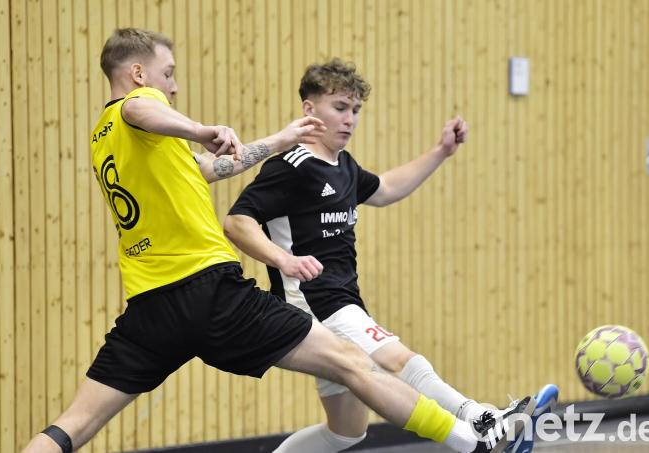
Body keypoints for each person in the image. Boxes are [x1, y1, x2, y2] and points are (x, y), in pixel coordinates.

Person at [22, 29, 534, 453]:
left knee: (74, 426)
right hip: (211, 290)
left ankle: (475, 430)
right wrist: (200, 127)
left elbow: (208, 170)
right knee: (359, 363)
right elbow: (145, 113)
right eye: (168, 73)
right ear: (137, 74)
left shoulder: (104, 139)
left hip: (150, 307)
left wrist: (277, 138)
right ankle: (476, 437)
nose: (172, 86)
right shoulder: (141, 109)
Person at [224, 58, 558, 453]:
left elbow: (384, 189)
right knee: (400, 359)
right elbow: (236, 221)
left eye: (356, 110)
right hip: (315, 301)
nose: (350, 119)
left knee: (346, 432)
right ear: (309, 109)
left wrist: (440, 152)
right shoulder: (293, 166)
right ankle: (482, 420)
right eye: (340, 108)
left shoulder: (343, 165)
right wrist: (285, 261)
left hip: (341, 299)